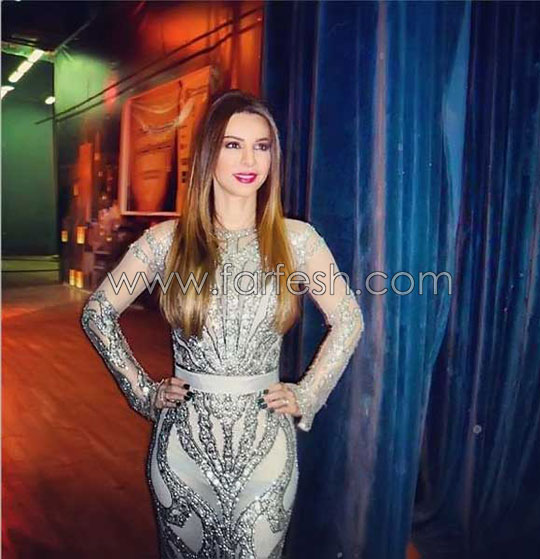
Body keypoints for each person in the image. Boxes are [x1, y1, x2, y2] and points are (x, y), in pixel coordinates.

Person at [80, 89, 364, 558]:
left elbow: (348, 319)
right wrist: (142, 391)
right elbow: (97, 312)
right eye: (233, 144)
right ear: (209, 153)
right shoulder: (166, 241)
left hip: (265, 448)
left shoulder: (297, 240)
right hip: (182, 449)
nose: (250, 159)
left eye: (261, 146)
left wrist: (309, 393)